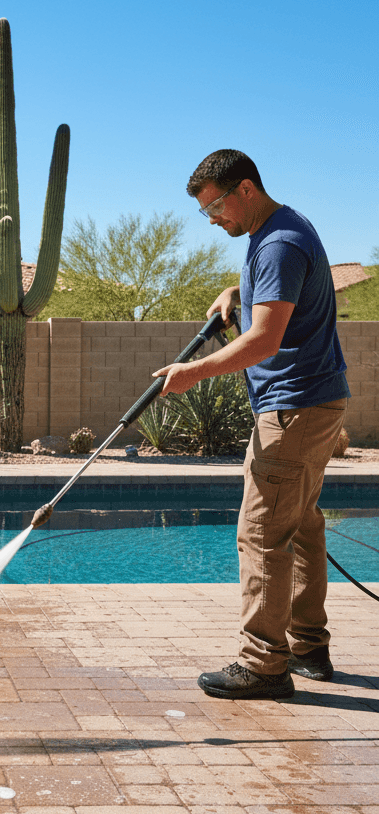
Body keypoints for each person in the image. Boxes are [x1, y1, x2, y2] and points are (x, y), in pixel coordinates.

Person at [154, 149, 349, 700]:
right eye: (205, 212)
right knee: (302, 524)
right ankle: (309, 645)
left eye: (215, 206)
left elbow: (265, 338)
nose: (213, 219)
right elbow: (282, 300)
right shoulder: (282, 231)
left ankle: (264, 663)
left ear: (245, 189)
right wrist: (236, 291)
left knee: (262, 532)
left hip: (294, 407)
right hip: (316, 402)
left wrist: (193, 372)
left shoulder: (279, 243)